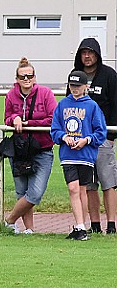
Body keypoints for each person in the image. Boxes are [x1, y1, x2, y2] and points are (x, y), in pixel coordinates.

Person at [68, 38, 117, 234]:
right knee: (89, 185)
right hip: (81, 141)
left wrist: (112, 135)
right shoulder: (75, 76)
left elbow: (115, 105)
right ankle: (94, 224)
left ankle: (111, 224)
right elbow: (68, 105)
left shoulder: (109, 76)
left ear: (97, 54)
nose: (87, 56)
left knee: (108, 182)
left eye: (91, 52)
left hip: (103, 138)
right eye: (84, 52)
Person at [4, 57, 57, 234]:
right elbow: (6, 118)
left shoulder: (46, 93)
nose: (26, 80)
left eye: (29, 76)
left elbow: (52, 119)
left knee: (34, 193)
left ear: (34, 77)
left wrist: (28, 123)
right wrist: (14, 119)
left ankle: (9, 220)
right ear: (17, 79)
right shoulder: (11, 95)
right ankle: (29, 230)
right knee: (22, 191)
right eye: (22, 77)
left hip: (42, 149)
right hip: (20, 150)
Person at [51, 71, 107, 241]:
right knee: (73, 188)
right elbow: (54, 130)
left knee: (82, 190)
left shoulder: (92, 106)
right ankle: (81, 226)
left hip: (86, 155)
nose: (75, 89)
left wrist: (87, 140)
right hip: (68, 155)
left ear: (85, 87)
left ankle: (80, 226)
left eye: (78, 86)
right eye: (72, 86)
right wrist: (63, 137)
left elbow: (100, 132)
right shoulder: (62, 105)